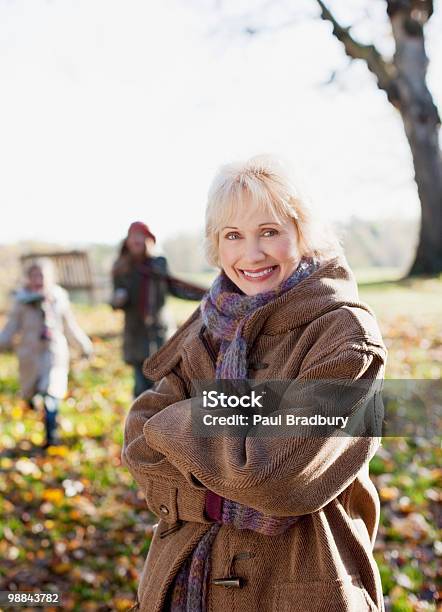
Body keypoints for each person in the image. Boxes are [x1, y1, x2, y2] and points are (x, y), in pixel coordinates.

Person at [121, 155, 387, 612]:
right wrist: (215, 498)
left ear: (302, 232)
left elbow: (274, 476)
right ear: (216, 245)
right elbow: (138, 442)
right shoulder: (207, 324)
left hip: (300, 584)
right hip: (183, 583)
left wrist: (182, 422)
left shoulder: (344, 336)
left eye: (269, 231)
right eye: (233, 235)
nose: (252, 254)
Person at [0, 258, 93, 448]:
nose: (38, 280)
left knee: (52, 392)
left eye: (42, 275)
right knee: (31, 393)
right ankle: (34, 403)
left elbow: (70, 326)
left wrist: (84, 346)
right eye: (34, 275)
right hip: (30, 355)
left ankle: (51, 437)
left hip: (54, 353)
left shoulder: (58, 299)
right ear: (28, 278)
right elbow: (11, 328)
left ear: (49, 277)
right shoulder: (22, 301)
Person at [111, 221, 206, 398]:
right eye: (133, 236)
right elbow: (116, 300)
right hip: (136, 334)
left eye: (140, 236)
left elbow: (174, 287)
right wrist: (117, 300)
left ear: (149, 241)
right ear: (127, 241)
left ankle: (162, 422)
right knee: (141, 387)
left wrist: (206, 294)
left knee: (163, 384)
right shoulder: (122, 268)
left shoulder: (158, 264)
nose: (136, 240)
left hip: (159, 333)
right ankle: (139, 423)